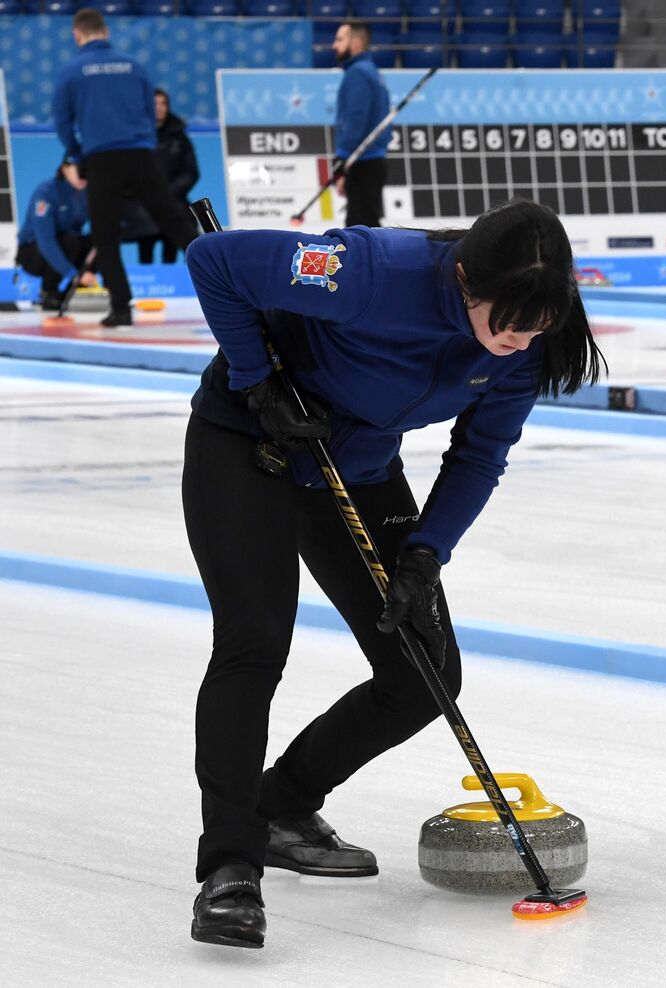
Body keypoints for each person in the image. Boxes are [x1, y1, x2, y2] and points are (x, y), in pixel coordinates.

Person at [181, 199, 605, 949]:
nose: (513, 342)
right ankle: (229, 868)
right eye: (502, 322)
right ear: (467, 277)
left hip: (358, 463)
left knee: (423, 671)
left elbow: (479, 455)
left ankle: (280, 802)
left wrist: (426, 549)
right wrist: (257, 379)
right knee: (254, 643)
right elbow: (217, 262)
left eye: (532, 327)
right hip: (251, 443)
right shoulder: (368, 273)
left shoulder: (531, 338)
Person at [51, 8, 197, 327]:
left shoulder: (71, 71)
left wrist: (78, 155)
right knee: (174, 222)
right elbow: (149, 112)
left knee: (105, 235)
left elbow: (63, 122)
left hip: (102, 159)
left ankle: (121, 308)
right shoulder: (133, 65)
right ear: (105, 32)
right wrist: (142, 141)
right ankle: (228, 279)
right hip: (142, 155)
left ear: (77, 35)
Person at [125, 88, 200, 265]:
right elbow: (126, 170)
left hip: (173, 201)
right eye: (154, 104)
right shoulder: (134, 136)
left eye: (162, 104)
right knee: (145, 246)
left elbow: (191, 172)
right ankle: (147, 282)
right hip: (142, 203)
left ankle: (171, 281)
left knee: (174, 239)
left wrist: (170, 194)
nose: (158, 108)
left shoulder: (180, 137)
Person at [331, 21, 391, 228]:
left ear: (355, 43)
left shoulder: (358, 73)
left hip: (362, 162)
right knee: (367, 226)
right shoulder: (372, 72)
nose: (334, 45)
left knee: (361, 231)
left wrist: (342, 156)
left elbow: (355, 119)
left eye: (339, 39)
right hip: (371, 162)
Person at [16, 162, 95, 310]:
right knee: (68, 241)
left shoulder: (87, 192)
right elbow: (46, 241)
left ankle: (74, 292)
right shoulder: (46, 193)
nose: (83, 174)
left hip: (68, 244)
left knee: (98, 240)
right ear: (65, 169)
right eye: (80, 169)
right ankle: (49, 292)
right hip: (34, 251)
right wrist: (74, 274)